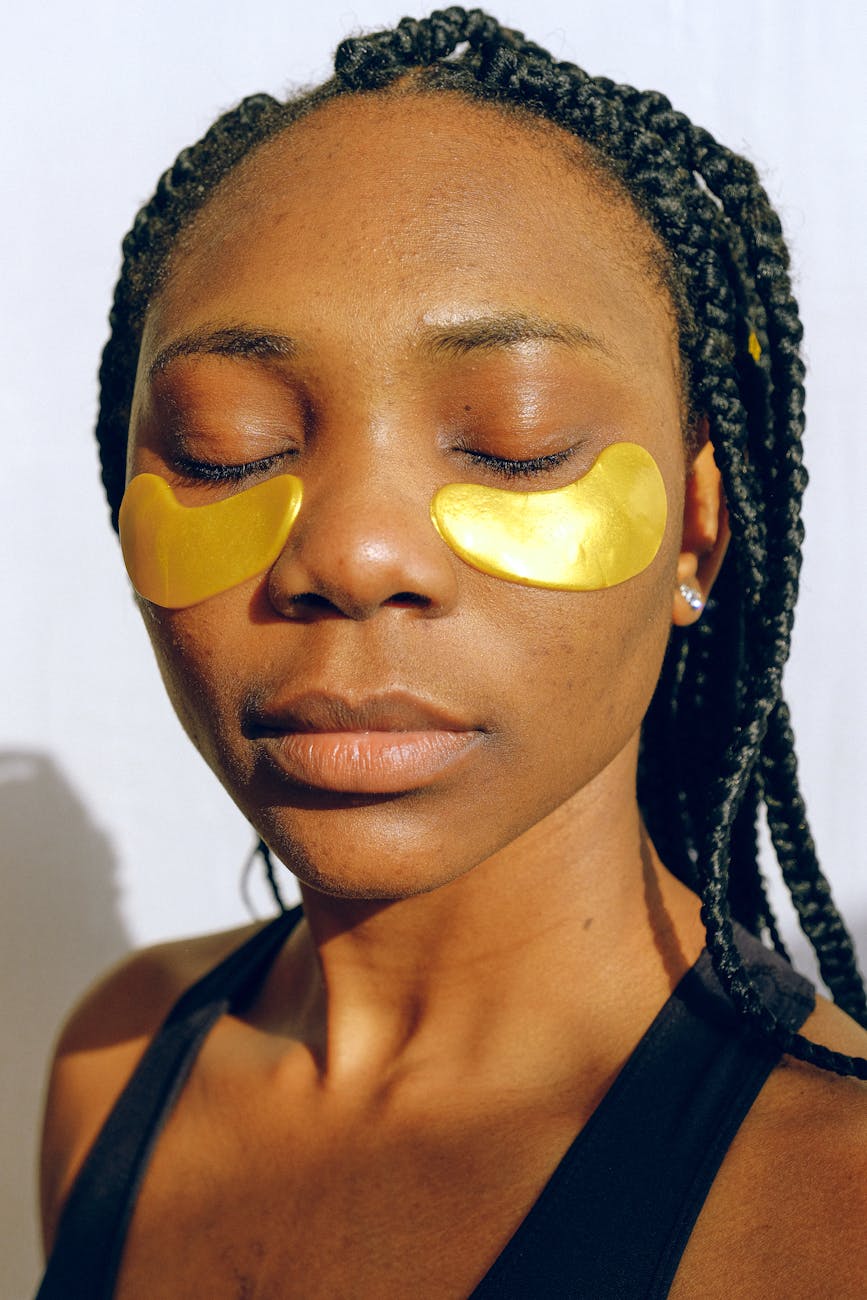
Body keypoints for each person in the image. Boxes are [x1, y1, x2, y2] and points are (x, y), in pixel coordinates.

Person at [36, 8, 867, 1297]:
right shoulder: (111, 1068)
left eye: (514, 443)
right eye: (227, 446)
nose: (356, 555)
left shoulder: (832, 1214)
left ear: (700, 533)